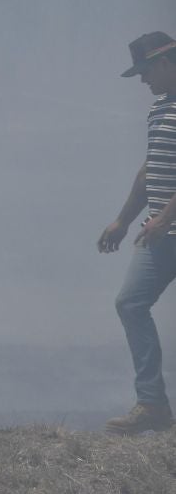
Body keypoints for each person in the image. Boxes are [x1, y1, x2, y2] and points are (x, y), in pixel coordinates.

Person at [98, 31, 176, 435]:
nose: (144, 81)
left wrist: (165, 217)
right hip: (161, 234)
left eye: (146, 72)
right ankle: (152, 404)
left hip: (166, 227)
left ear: (165, 63)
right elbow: (151, 171)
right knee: (130, 303)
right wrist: (124, 220)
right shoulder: (159, 109)